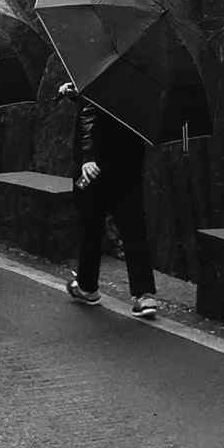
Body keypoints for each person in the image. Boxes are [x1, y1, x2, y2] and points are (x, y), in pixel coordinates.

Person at [59, 79, 159, 318]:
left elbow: (91, 112)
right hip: (130, 162)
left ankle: (87, 286)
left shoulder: (101, 72)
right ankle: (144, 295)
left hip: (98, 163)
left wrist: (88, 155)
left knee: (91, 224)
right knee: (133, 226)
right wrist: (77, 95)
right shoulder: (144, 77)